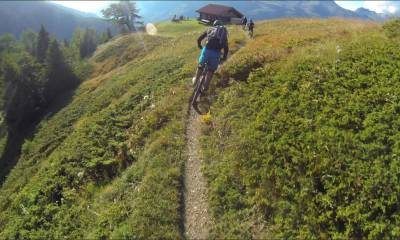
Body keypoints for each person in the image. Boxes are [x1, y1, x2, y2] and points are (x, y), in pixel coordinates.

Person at [192, 20, 229, 94]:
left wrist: (200, 46)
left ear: (214, 25)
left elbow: (199, 39)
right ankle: (205, 87)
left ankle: (195, 81)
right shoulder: (223, 33)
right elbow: (226, 49)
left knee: (200, 66)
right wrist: (224, 57)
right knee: (211, 71)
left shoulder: (210, 29)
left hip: (207, 50)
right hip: (216, 53)